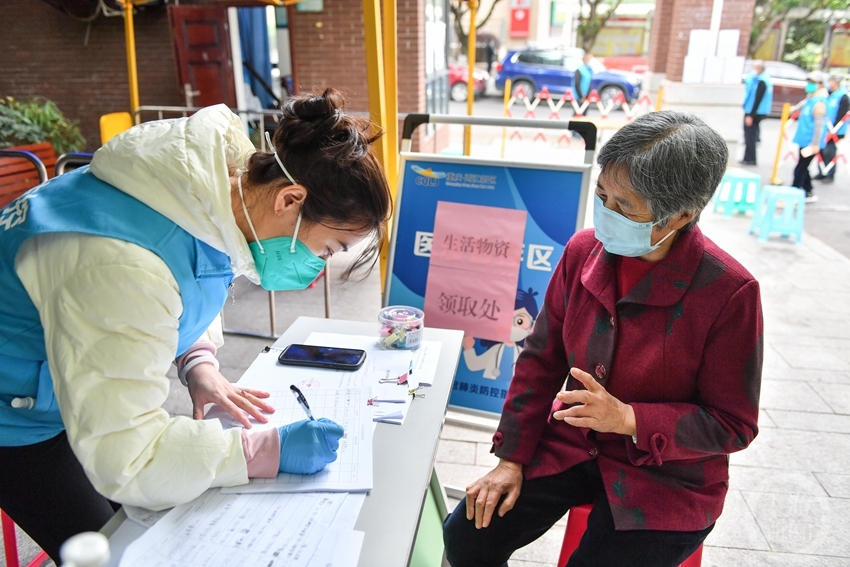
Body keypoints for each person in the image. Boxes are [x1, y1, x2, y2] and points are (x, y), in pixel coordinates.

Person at [0, 89, 392, 561]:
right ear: (290, 199)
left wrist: (198, 361)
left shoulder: (215, 190)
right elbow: (128, 458)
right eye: (327, 251)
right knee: (120, 551)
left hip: (63, 382)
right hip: (14, 417)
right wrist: (260, 450)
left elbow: (194, 273)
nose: (317, 268)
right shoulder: (122, 264)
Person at [443, 111, 763, 567]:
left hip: (668, 478)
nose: (606, 214)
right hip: (573, 443)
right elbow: (540, 359)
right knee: (468, 535)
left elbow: (734, 423)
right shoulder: (582, 253)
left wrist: (631, 418)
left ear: (683, 214)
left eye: (625, 207)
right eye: (601, 195)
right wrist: (510, 458)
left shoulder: (729, 292)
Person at [791, 71, 829, 203]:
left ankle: (794, 192)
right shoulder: (810, 99)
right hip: (804, 140)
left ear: (820, 85)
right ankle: (808, 191)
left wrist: (815, 144)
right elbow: (800, 106)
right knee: (803, 167)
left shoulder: (819, 103)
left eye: (813, 83)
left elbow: (819, 126)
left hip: (810, 143)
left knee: (800, 168)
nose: (809, 85)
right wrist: (791, 109)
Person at [815, 73, 849, 184]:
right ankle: (821, 172)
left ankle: (830, 174)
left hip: (836, 130)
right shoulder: (827, 94)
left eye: (830, 80)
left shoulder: (843, 96)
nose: (829, 82)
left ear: (836, 82)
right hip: (824, 127)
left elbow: (842, 115)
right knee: (821, 150)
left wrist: (833, 129)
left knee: (829, 151)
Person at [741, 60, 773, 165]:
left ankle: (750, 158)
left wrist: (751, 115)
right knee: (751, 135)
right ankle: (749, 157)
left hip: (755, 112)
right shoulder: (761, 79)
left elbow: (757, 99)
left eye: (754, 68)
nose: (753, 70)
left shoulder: (762, 81)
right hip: (755, 111)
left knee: (750, 136)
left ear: (760, 68)